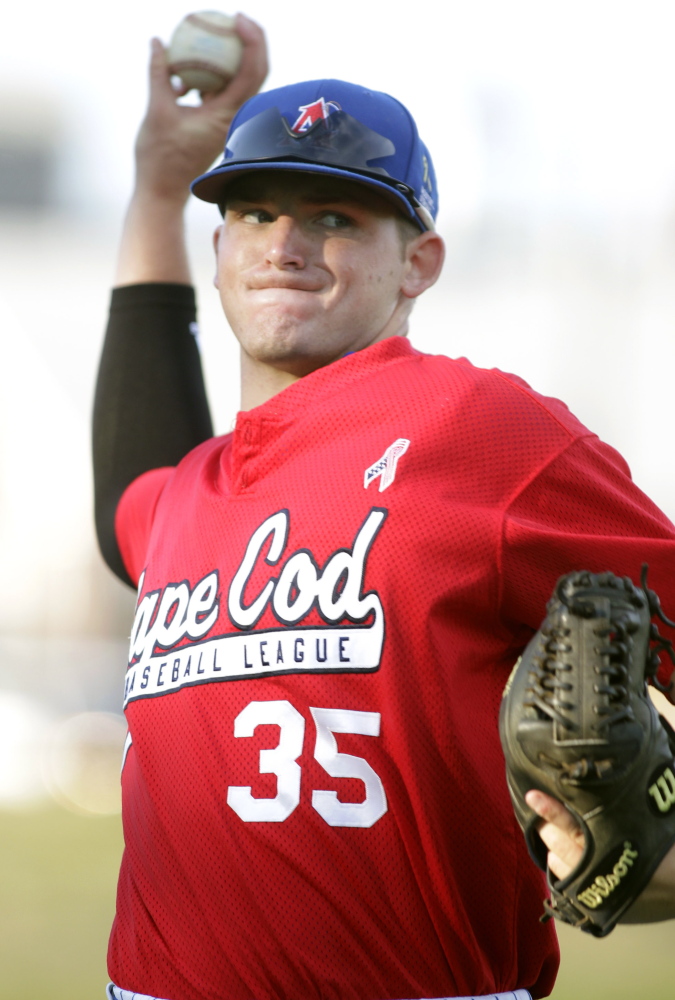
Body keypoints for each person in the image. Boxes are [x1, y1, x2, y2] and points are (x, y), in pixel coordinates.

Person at [93, 20, 675, 1000]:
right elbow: (126, 488)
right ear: (220, 243)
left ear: (420, 262)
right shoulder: (183, 493)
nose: (285, 243)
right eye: (256, 210)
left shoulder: (479, 428)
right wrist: (158, 182)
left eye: (336, 217)